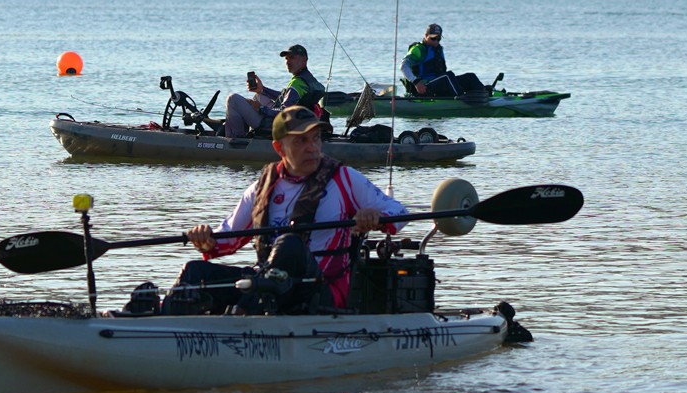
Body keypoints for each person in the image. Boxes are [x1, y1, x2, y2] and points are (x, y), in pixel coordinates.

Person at [186, 106, 408, 312]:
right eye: (301, 141)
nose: (312, 148)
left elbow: (399, 213)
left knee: (289, 243)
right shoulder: (260, 188)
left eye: (316, 139)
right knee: (195, 273)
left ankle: (246, 313)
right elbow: (225, 242)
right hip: (267, 286)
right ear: (279, 147)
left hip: (322, 292)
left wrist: (376, 217)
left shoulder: (344, 179)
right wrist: (204, 238)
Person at [222, 44, 325, 138]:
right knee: (258, 96)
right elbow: (287, 98)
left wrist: (261, 108)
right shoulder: (308, 80)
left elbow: (285, 113)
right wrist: (262, 89)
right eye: (286, 58)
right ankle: (252, 133)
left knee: (233, 99)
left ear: (304, 60)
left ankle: (236, 139)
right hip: (296, 121)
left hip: (277, 125)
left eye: (292, 58)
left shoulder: (297, 84)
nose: (288, 62)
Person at [401, 23, 485, 97]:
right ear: (426, 36)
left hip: (438, 83)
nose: (436, 42)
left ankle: (485, 95)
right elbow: (403, 66)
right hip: (424, 87)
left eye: (438, 39)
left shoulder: (438, 50)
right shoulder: (418, 49)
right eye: (433, 38)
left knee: (470, 77)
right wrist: (416, 82)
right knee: (448, 76)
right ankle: (461, 99)